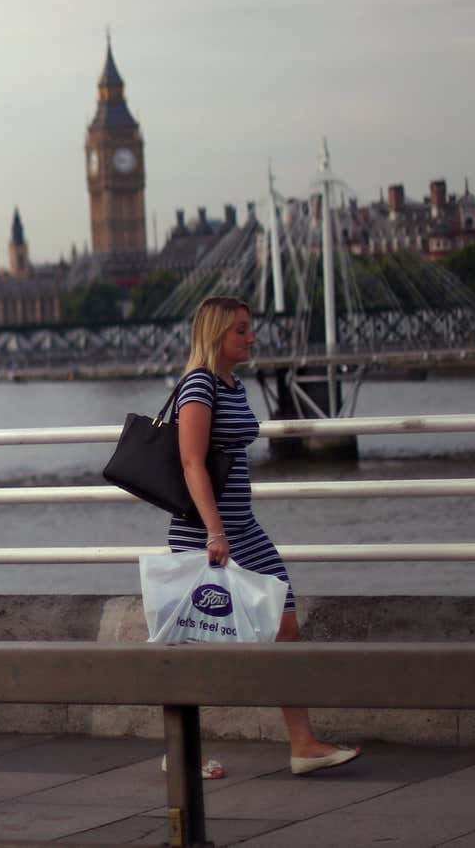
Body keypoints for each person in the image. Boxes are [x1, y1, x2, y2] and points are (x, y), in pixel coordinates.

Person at [173, 296, 361, 777]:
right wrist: (214, 530)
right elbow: (192, 462)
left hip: (246, 527)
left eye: (249, 328)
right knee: (197, 642)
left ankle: (303, 743)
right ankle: (181, 752)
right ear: (217, 334)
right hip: (206, 531)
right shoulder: (199, 385)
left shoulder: (232, 385)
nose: (251, 337)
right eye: (241, 330)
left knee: (286, 626)